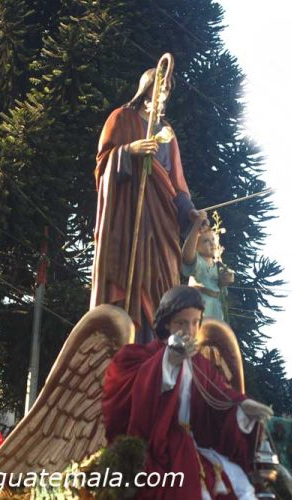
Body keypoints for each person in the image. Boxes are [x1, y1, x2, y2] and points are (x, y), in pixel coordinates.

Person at [102, 286, 273, 499]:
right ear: (167, 323)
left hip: (194, 446)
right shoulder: (136, 357)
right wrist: (167, 362)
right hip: (159, 449)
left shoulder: (200, 364)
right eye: (181, 323)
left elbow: (220, 395)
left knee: (241, 485)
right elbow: (126, 401)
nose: (190, 330)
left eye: (195, 322)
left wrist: (243, 406)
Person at [90, 68, 197, 343]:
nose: (163, 92)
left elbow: (176, 182)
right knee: (130, 280)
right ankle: (126, 340)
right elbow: (103, 165)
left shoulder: (167, 133)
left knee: (160, 284)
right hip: (128, 219)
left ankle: (155, 346)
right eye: (159, 85)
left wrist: (190, 212)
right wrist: (129, 151)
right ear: (146, 87)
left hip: (162, 222)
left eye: (167, 89)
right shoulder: (121, 117)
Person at [182, 212, 234, 321]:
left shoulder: (219, 267)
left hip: (217, 313)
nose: (212, 243)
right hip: (199, 311)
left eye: (212, 239)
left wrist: (227, 279)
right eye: (205, 241)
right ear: (196, 247)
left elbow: (222, 289)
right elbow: (187, 255)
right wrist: (197, 225)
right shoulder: (198, 262)